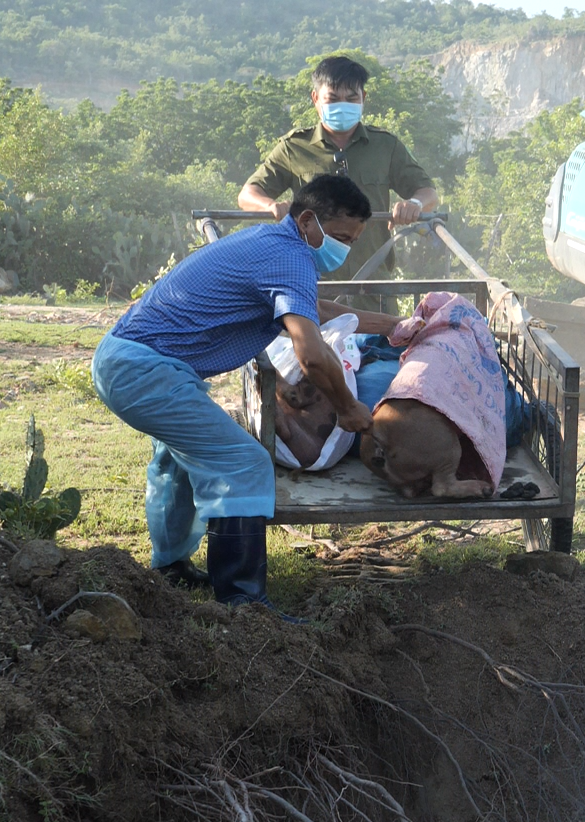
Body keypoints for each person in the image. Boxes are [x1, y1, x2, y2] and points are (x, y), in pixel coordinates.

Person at [91, 175, 393, 614]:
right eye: (342, 237)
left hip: (123, 359)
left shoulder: (272, 244)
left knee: (175, 460)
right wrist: (349, 408)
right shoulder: (291, 258)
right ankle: (243, 603)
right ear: (308, 221)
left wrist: (392, 326)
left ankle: (170, 568)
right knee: (243, 461)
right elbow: (310, 354)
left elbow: (318, 309)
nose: (344, 249)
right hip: (146, 372)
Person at [238, 55, 440, 284]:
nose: (342, 106)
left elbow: (428, 192)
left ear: (363, 98)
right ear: (315, 99)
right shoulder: (294, 147)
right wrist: (272, 206)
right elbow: (247, 194)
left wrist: (414, 205)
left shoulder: (386, 146)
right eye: (333, 99)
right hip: (312, 282)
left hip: (374, 284)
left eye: (351, 98)